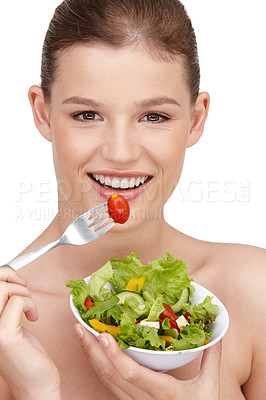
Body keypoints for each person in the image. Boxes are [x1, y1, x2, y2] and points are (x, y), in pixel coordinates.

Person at [0, 0, 265, 399]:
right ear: (42, 112)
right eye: (87, 115)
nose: (121, 153)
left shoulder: (255, 290)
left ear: (195, 120)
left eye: (154, 116)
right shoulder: (8, 329)